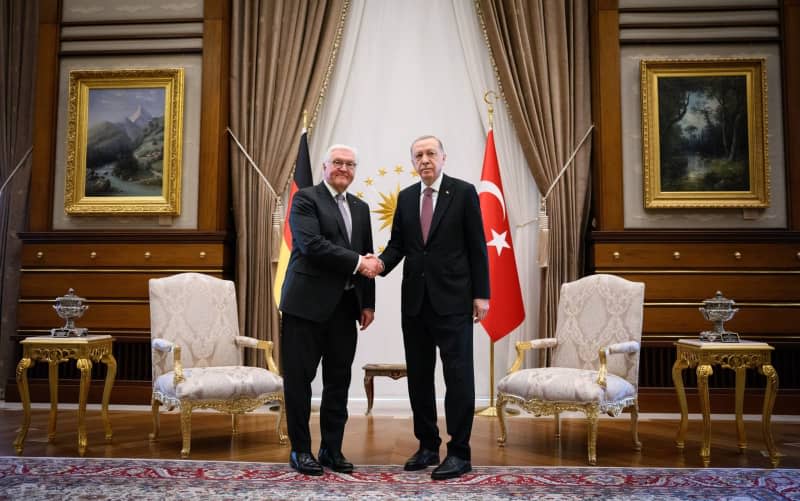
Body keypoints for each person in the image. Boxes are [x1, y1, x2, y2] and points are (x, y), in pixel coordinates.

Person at [377, 135, 490, 480]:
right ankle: (427, 444)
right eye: (418, 155)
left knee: (458, 377)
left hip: (454, 301)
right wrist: (377, 264)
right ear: (413, 162)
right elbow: (398, 246)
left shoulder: (464, 192)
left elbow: (477, 247)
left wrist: (482, 295)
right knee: (420, 378)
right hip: (415, 304)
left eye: (430, 153)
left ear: (443, 157)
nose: (424, 159)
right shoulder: (407, 197)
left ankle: (460, 452)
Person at [280, 144, 383, 476]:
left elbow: (366, 256)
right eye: (337, 162)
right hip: (305, 306)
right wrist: (358, 262)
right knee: (300, 381)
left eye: (350, 164)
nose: (344, 168)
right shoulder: (306, 199)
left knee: (338, 381)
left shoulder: (361, 207)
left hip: (344, 309)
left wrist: (367, 302)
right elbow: (311, 246)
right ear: (324, 166)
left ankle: (331, 449)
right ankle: (300, 450)